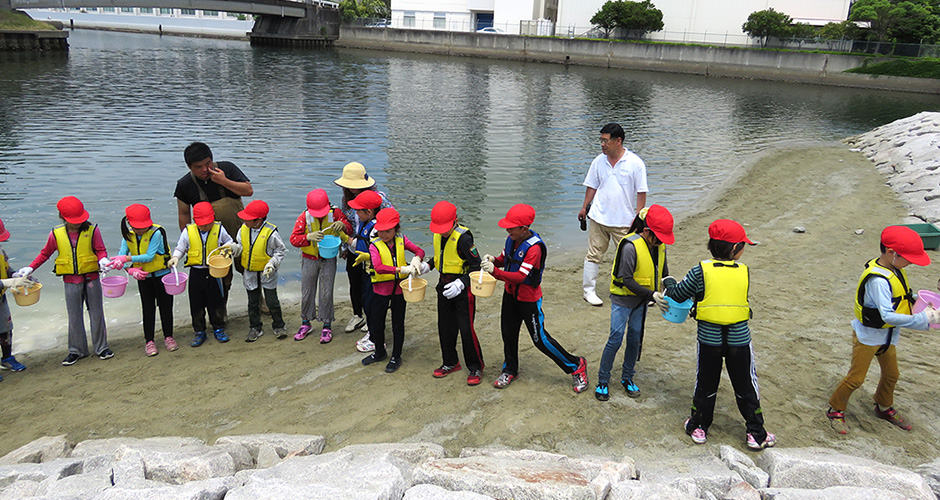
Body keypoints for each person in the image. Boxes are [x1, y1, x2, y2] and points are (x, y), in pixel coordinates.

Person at [662, 219, 775, 450]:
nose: (744, 249)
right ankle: (756, 433)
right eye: (743, 245)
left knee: (705, 384)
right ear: (734, 249)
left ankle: (699, 427)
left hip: (709, 339)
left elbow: (680, 294)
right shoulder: (744, 271)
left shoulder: (700, 271)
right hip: (739, 340)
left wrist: (669, 282)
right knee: (745, 386)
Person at [827, 226, 940, 434]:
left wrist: (921, 305)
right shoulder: (878, 281)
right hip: (868, 337)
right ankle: (836, 408)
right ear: (891, 253)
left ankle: (883, 406)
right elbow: (887, 315)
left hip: (888, 335)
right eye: (909, 258)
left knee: (892, 374)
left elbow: (902, 297)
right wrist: (923, 319)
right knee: (856, 378)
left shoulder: (895, 269)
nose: (911, 262)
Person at [481, 204, 588, 393]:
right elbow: (504, 259)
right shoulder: (511, 240)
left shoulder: (534, 249)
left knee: (540, 340)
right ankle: (510, 369)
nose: (507, 230)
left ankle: (576, 365)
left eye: (511, 227)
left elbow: (521, 276)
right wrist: (493, 260)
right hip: (510, 295)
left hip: (528, 299)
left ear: (524, 228)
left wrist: (496, 273)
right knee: (508, 334)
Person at [16, 196, 114, 365]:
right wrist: (30, 268)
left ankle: (101, 347)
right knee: (74, 316)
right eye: (72, 221)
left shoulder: (92, 231)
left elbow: (100, 250)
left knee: (96, 313)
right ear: (62, 217)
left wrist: (103, 260)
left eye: (78, 220)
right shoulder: (56, 234)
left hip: (92, 279)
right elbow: (45, 254)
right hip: (70, 281)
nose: (76, 224)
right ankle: (77, 350)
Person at [595, 204, 674, 402]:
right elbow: (627, 280)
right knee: (615, 338)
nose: (661, 242)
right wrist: (652, 295)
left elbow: (664, 274)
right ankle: (603, 381)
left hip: (642, 300)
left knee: (635, 339)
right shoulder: (630, 246)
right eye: (659, 237)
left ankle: (627, 378)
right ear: (647, 231)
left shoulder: (659, 245)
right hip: (624, 300)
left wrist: (674, 290)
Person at [578, 123, 648, 307]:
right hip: (599, 217)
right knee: (594, 254)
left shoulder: (635, 163)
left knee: (632, 256)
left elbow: (641, 192)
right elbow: (592, 186)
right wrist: (584, 207)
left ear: (618, 141)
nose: (602, 144)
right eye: (601, 140)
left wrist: (639, 216)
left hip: (624, 220)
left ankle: (638, 290)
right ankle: (589, 291)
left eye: (605, 141)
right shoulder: (598, 161)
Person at [360, 207, 427, 373]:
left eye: (388, 231)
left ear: (396, 228)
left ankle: (396, 356)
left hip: (399, 291)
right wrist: (402, 270)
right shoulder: (374, 245)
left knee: (398, 324)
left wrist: (417, 259)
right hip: (380, 290)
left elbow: (419, 250)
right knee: (376, 323)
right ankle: (379, 352)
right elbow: (379, 267)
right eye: (381, 231)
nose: (384, 235)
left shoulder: (401, 239)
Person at [426, 201, 485, 386]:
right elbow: (439, 257)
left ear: (455, 221)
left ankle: (475, 366)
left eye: (446, 228)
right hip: (443, 286)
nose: (443, 232)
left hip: (462, 289)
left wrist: (461, 283)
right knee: (445, 327)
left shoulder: (464, 238)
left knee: (466, 328)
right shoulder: (438, 234)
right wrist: (426, 265)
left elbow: (477, 265)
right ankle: (450, 362)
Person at [335, 162, 393, 347]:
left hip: (372, 249)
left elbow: (391, 224)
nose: (350, 189)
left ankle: (372, 320)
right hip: (354, 245)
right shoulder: (347, 200)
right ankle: (357, 314)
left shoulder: (380, 200)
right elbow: (347, 222)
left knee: (371, 286)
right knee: (355, 282)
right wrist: (345, 246)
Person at [109, 204, 177, 357]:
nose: (140, 230)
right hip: (144, 278)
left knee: (166, 307)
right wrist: (129, 269)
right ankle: (149, 341)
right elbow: (121, 256)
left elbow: (149, 256)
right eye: (137, 227)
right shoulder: (128, 236)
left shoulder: (156, 233)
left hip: (162, 276)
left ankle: (169, 337)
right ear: (129, 224)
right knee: (148, 308)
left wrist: (126, 259)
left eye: (143, 227)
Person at [167, 201, 233, 348]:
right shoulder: (188, 232)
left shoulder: (219, 230)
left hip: (214, 272)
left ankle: (218, 328)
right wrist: (176, 257)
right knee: (196, 303)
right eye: (201, 224)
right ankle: (199, 331)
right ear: (195, 221)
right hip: (196, 272)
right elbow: (180, 248)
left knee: (216, 302)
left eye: (207, 223)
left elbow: (229, 242)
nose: (204, 226)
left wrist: (227, 250)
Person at [289, 189, 349, 344]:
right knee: (307, 291)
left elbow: (348, 228)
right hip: (309, 259)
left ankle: (327, 324)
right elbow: (294, 239)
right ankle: (305, 323)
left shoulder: (335, 214)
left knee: (326, 292)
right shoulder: (304, 217)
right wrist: (307, 237)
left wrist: (342, 225)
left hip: (329, 259)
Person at [228, 200, 287, 343]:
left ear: (258, 220)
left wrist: (272, 264)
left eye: (248, 218)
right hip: (249, 270)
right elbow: (241, 246)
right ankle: (255, 327)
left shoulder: (271, 233)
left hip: (267, 271)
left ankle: (279, 325)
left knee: (271, 300)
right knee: (252, 301)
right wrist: (234, 249)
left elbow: (280, 251)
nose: (244, 220)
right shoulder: (243, 229)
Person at [347, 189, 385, 353]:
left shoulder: (377, 229)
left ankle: (376, 340)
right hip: (365, 272)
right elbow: (359, 244)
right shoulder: (365, 224)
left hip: (375, 275)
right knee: (367, 303)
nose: (356, 213)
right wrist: (344, 238)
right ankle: (372, 333)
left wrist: (369, 257)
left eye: (358, 210)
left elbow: (381, 253)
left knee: (373, 305)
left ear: (369, 211)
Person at [0, 218, 31, 375]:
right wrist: (9, 282)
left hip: (1, 300)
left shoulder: (1, 252)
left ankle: (7, 358)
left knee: (6, 329)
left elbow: (6, 267)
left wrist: (15, 274)